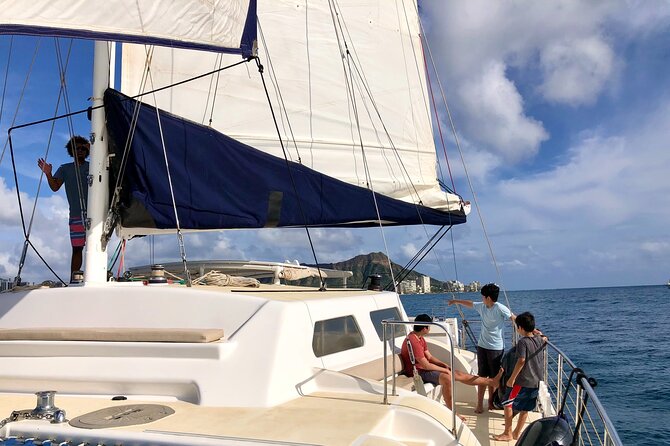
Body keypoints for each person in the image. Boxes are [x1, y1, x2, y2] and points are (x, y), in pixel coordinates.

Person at [400, 314, 502, 420]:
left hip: (423, 369)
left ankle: (491, 382)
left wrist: (443, 365)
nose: (430, 329)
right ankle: (452, 412)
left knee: (457, 373)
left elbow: (429, 357)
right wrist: (444, 370)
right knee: (447, 378)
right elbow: (426, 365)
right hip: (417, 372)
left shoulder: (420, 338)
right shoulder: (413, 341)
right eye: (429, 326)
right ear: (425, 327)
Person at [447, 283, 515, 413]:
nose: (482, 298)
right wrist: (455, 301)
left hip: (496, 348)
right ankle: (480, 404)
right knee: (482, 376)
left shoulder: (500, 308)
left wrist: (532, 331)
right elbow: (470, 303)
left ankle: (491, 402)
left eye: (483, 296)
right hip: (482, 346)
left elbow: (514, 318)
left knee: (494, 378)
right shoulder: (482, 306)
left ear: (488, 298)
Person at [37, 135, 90, 281]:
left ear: (87, 150)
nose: (80, 150)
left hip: (95, 215)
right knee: (77, 249)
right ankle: (74, 280)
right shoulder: (65, 169)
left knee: (95, 247)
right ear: (71, 151)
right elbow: (55, 187)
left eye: (83, 148)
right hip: (76, 215)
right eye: (76, 148)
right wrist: (48, 173)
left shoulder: (94, 167)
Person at [493, 312, 547, 441]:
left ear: (521, 328)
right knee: (525, 408)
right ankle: (517, 433)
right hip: (535, 381)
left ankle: (507, 433)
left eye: (517, 327)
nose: (517, 329)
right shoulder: (539, 339)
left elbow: (521, 360)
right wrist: (538, 333)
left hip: (522, 381)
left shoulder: (523, 342)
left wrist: (511, 378)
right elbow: (545, 337)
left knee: (507, 403)